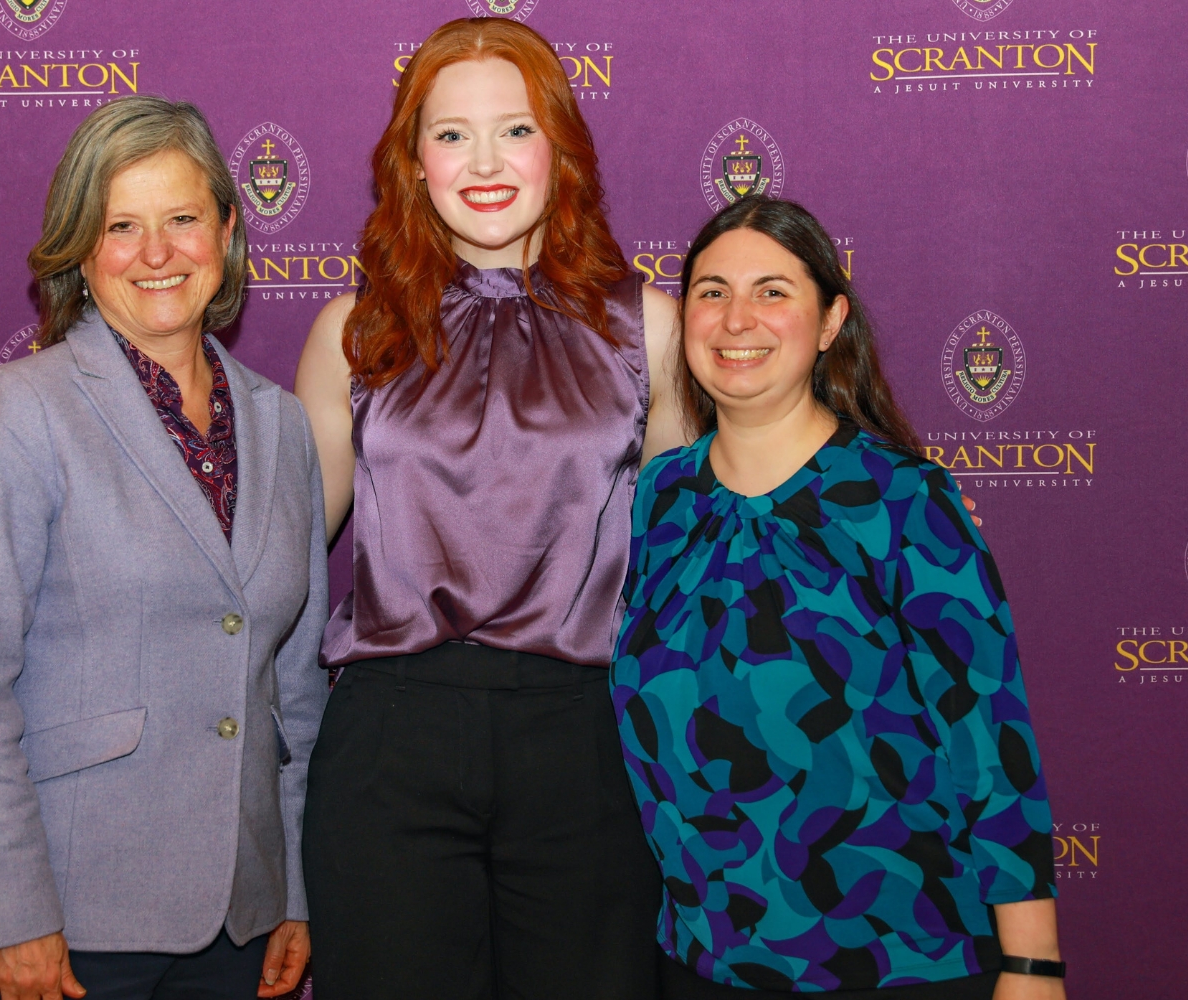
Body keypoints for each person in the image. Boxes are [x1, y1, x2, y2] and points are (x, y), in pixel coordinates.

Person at [293, 16, 686, 1000]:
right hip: (393, 738)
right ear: (411, 161)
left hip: (586, 735)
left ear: (561, 150)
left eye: (514, 129)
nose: (484, 161)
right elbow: (278, 557)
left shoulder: (649, 323)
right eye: (451, 133)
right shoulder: (353, 326)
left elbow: (695, 557)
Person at [0, 95, 329, 1000]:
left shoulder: (283, 425)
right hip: (68, 919)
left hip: (239, 917)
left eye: (183, 219)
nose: (157, 253)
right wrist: (12, 913)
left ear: (225, 229)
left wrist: (292, 886)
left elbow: (293, 694)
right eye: (122, 226)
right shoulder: (21, 409)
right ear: (80, 248)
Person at [614, 196, 1064, 1000]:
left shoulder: (903, 500)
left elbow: (990, 738)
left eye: (773, 291)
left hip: (898, 963)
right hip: (700, 963)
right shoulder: (660, 498)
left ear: (830, 322)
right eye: (712, 292)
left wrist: (1033, 965)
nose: (736, 318)